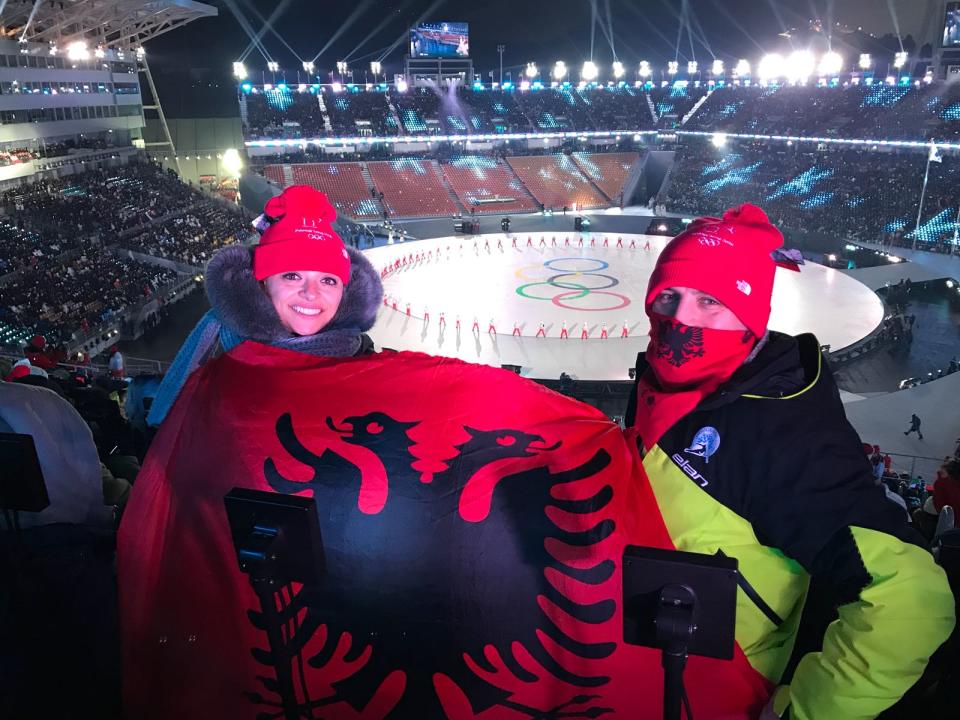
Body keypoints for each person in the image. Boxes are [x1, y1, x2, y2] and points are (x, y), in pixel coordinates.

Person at [623, 204, 954, 720]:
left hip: (713, 689)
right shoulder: (660, 384)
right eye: (668, 295)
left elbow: (911, 599)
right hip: (640, 663)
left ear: (751, 316)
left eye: (710, 300)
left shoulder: (788, 435)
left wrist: (797, 714)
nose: (680, 317)